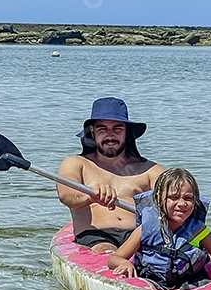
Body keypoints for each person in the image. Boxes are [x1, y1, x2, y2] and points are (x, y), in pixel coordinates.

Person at [107, 167, 211, 289]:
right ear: (159, 200)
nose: (181, 204)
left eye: (188, 198)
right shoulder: (146, 229)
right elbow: (114, 258)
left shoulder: (198, 230)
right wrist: (124, 263)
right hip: (151, 282)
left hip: (190, 284)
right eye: (173, 197)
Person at [56, 97, 163, 252]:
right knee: (105, 249)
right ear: (92, 132)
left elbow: (179, 195)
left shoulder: (150, 170)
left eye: (117, 129)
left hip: (140, 236)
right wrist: (91, 196)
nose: (110, 135)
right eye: (102, 129)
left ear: (127, 132)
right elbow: (67, 196)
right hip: (96, 236)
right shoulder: (76, 163)